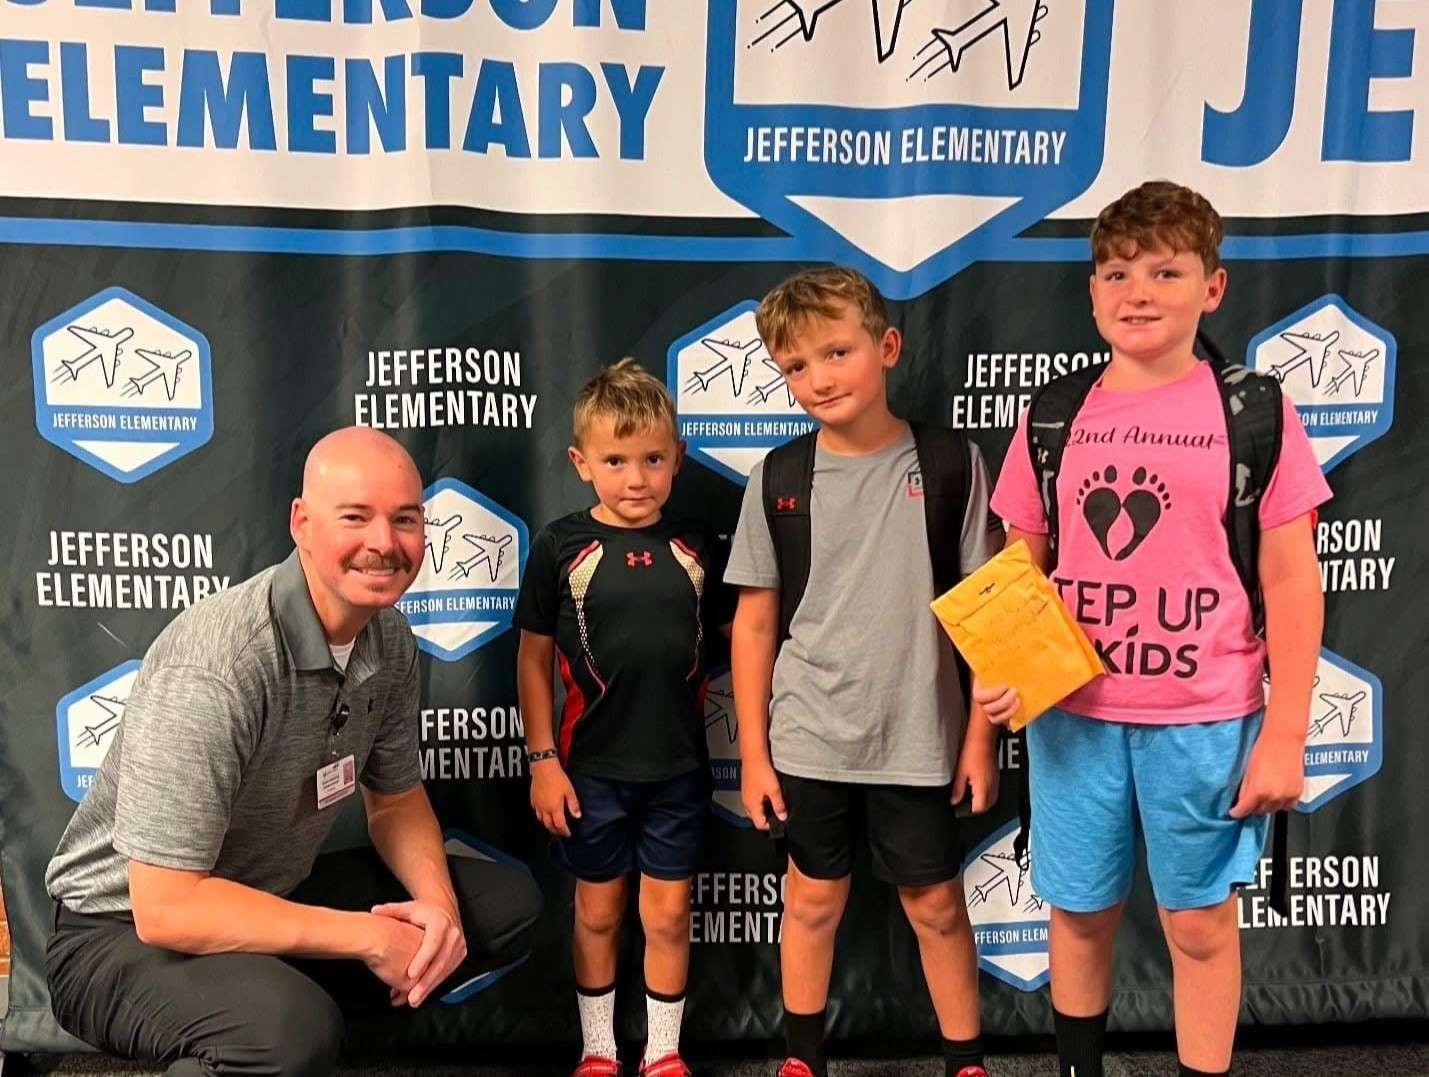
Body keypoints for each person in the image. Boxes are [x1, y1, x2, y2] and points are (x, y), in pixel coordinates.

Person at [45, 426, 543, 1077]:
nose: (384, 543)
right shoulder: (220, 662)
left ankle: (288, 1027)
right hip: (116, 934)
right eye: (355, 517)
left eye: (405, 519)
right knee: (287, 1034)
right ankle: (266, 1038)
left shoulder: (388, 637)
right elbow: (165, 905)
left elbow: (393, 799)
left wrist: (438, 915)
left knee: (502, 904)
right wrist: (367, 936)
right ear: (302, 523)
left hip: (267, 891)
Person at [983, 180, 1331, 1077]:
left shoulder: (1251, 411)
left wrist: (1286, 731)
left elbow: (1290, 578)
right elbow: (1018, 568)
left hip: (1205, 720)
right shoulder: (1055, 415)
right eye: (1115, 273)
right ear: (1092, 291)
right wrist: (1009, 671)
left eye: (1164, 271)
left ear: (1211, 288)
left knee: (1200, 924)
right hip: (1074, 721)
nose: (1136, 292)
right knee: (1079, 912)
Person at [725, 267, 1004, 1077]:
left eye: (835, 352)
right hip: (809, 736)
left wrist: (980, 736)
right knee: (811, 899)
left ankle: (966, 1061)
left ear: (885, 347)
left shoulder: (950, 462)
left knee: (936, 905)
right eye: (794, 367)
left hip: (919, 733)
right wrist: (752, 753)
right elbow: (754, 623)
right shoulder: (777, 478)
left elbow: (990, 606)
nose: (817, 379)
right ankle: (801, 1058)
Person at [516, 360, 731, 1077]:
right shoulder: (559, 546)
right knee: (598, 913)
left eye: (651, 459)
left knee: (668, 916)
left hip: (676, 771)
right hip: (590, 774)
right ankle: (600, 1048)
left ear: (677, 458)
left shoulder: (699, 545)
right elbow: (533, 658)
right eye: (615, 460)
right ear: (581, 463)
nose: (635, 478)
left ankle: (664, 1049)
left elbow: (741, 640)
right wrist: (543, 760)